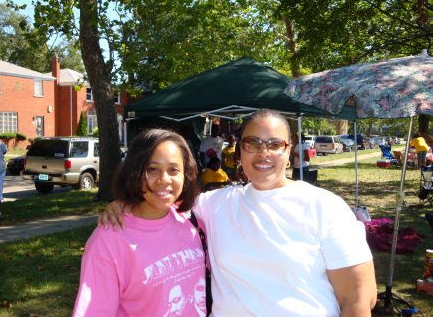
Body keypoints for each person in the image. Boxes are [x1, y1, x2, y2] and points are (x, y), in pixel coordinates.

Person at [100, 109, 377, 317]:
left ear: (289, 150)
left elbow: (359, 299)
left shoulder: (324, 207)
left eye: (274, 144)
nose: (263, 153)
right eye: (253, 143)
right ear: (240, 149)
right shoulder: (214, 204)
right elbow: (164, 202)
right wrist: (127, 202)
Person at [73, 128, 207, 317]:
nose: (164, 179)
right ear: (135, 172)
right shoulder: (109, 240)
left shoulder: (194, 220)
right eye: (152, 169)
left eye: (174, 170)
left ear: (186, 174)